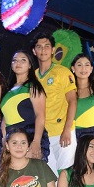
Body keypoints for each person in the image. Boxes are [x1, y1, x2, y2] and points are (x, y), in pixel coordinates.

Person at [32, 31, 77, 171]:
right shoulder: (32, 76)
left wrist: (67, 129)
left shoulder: (63, 72)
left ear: (52, 50)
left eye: (47, 46)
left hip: (62, 132)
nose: (43, 50)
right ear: (34, 51)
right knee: (50, 180)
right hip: (43, 135)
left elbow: (73, 101)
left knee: (66, 175)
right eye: (39, 47)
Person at [1, 50, 49, 161]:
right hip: (11, 139)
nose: (18, 63)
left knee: (31, 176)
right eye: (15, 60)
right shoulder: (8, 90)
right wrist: (4, 141)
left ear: (29, 65)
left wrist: (36, 141)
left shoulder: (33, 86)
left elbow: (40, 115)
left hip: (30, 136)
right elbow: (5, 118)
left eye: (23, 60)